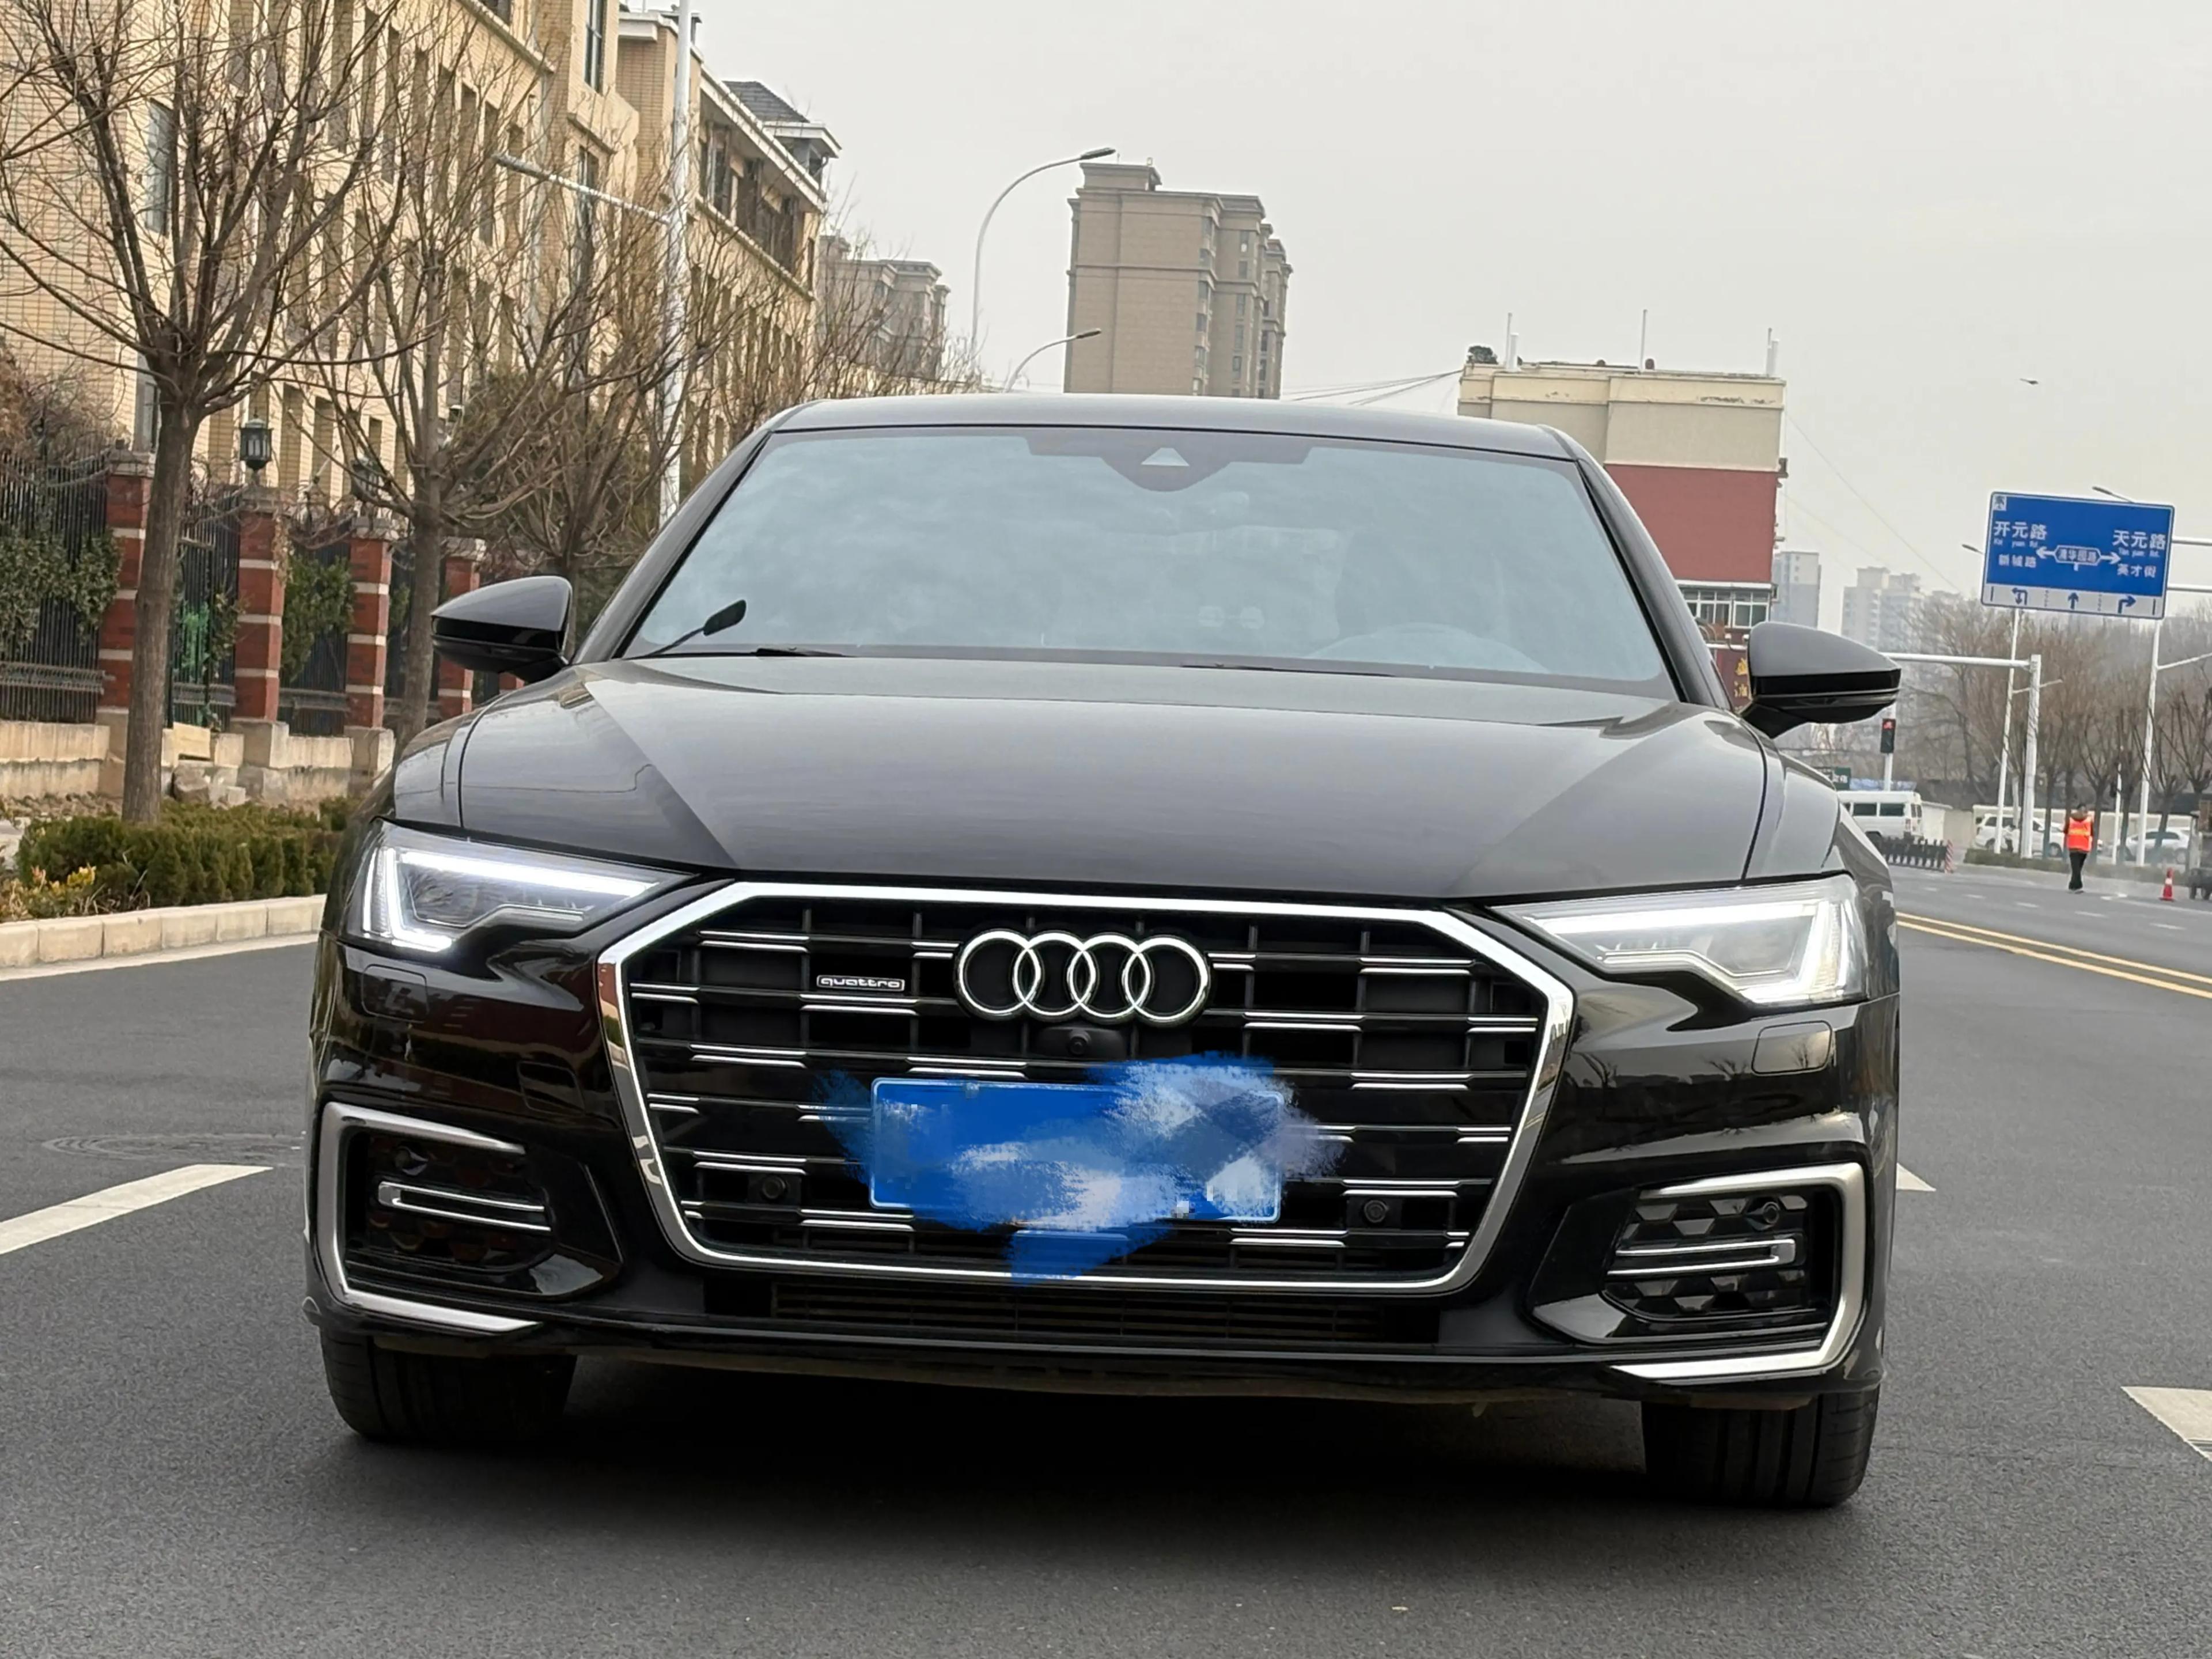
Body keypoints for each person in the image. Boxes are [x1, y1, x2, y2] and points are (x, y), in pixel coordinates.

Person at [2064, 805, 2095, 891]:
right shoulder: (2089, 819)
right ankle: (2076, 885)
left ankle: (2074, 885)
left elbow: (2066, 830)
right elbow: (2092, 832)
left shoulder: (2070, 818)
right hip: (2084, 848)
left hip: (2073, 846)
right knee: (2078, 867)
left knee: (2075, 867)